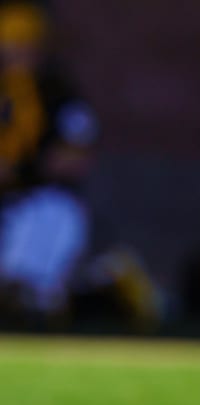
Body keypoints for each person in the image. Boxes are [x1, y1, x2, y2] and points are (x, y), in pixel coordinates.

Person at [0, 1, 97, 321]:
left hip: (35, 200)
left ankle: (28, 292)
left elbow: (75, 156)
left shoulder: (57, 92)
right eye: (12, 46)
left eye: (26, 45)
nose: (19, 54)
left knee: (56, 211)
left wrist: (25, 168)